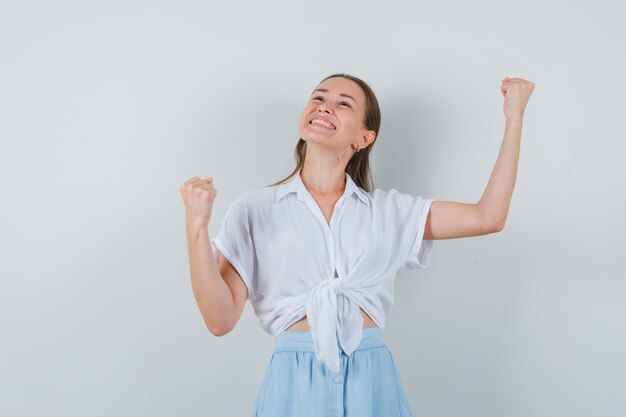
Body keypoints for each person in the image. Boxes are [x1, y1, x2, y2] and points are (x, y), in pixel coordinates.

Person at [180, 73, 535, 417]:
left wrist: (514, 119)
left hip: (372, 380)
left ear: (365, 138)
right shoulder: (255, 209)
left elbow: (488, 217)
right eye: (318, 98)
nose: (324, 106)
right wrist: (196, 227)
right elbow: (220, 319)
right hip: (293, 382)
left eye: (342, 103)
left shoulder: (389, 211)